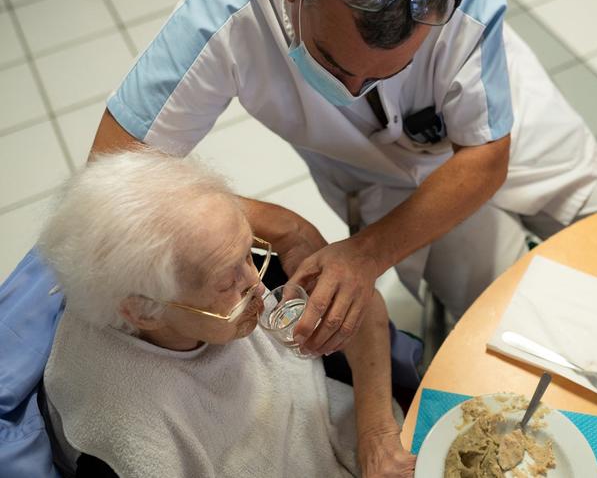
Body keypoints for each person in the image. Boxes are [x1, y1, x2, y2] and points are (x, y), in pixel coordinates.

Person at [91, 0, 597, 355]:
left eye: (392, 71)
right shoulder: (230, 0)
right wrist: (281, 226)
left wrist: (367, 253)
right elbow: (113, 178)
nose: (355, 91)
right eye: (333, 62)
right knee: (506, 318)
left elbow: (485, 156)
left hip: (506, 131)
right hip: (371, 170)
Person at [38, 150, 414, 477]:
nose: (258, 286)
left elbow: (363, 306)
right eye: (225, 282)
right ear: (143, 312)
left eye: (249, 253)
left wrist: (375, 433)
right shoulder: (122, 440)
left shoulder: (224, 260)